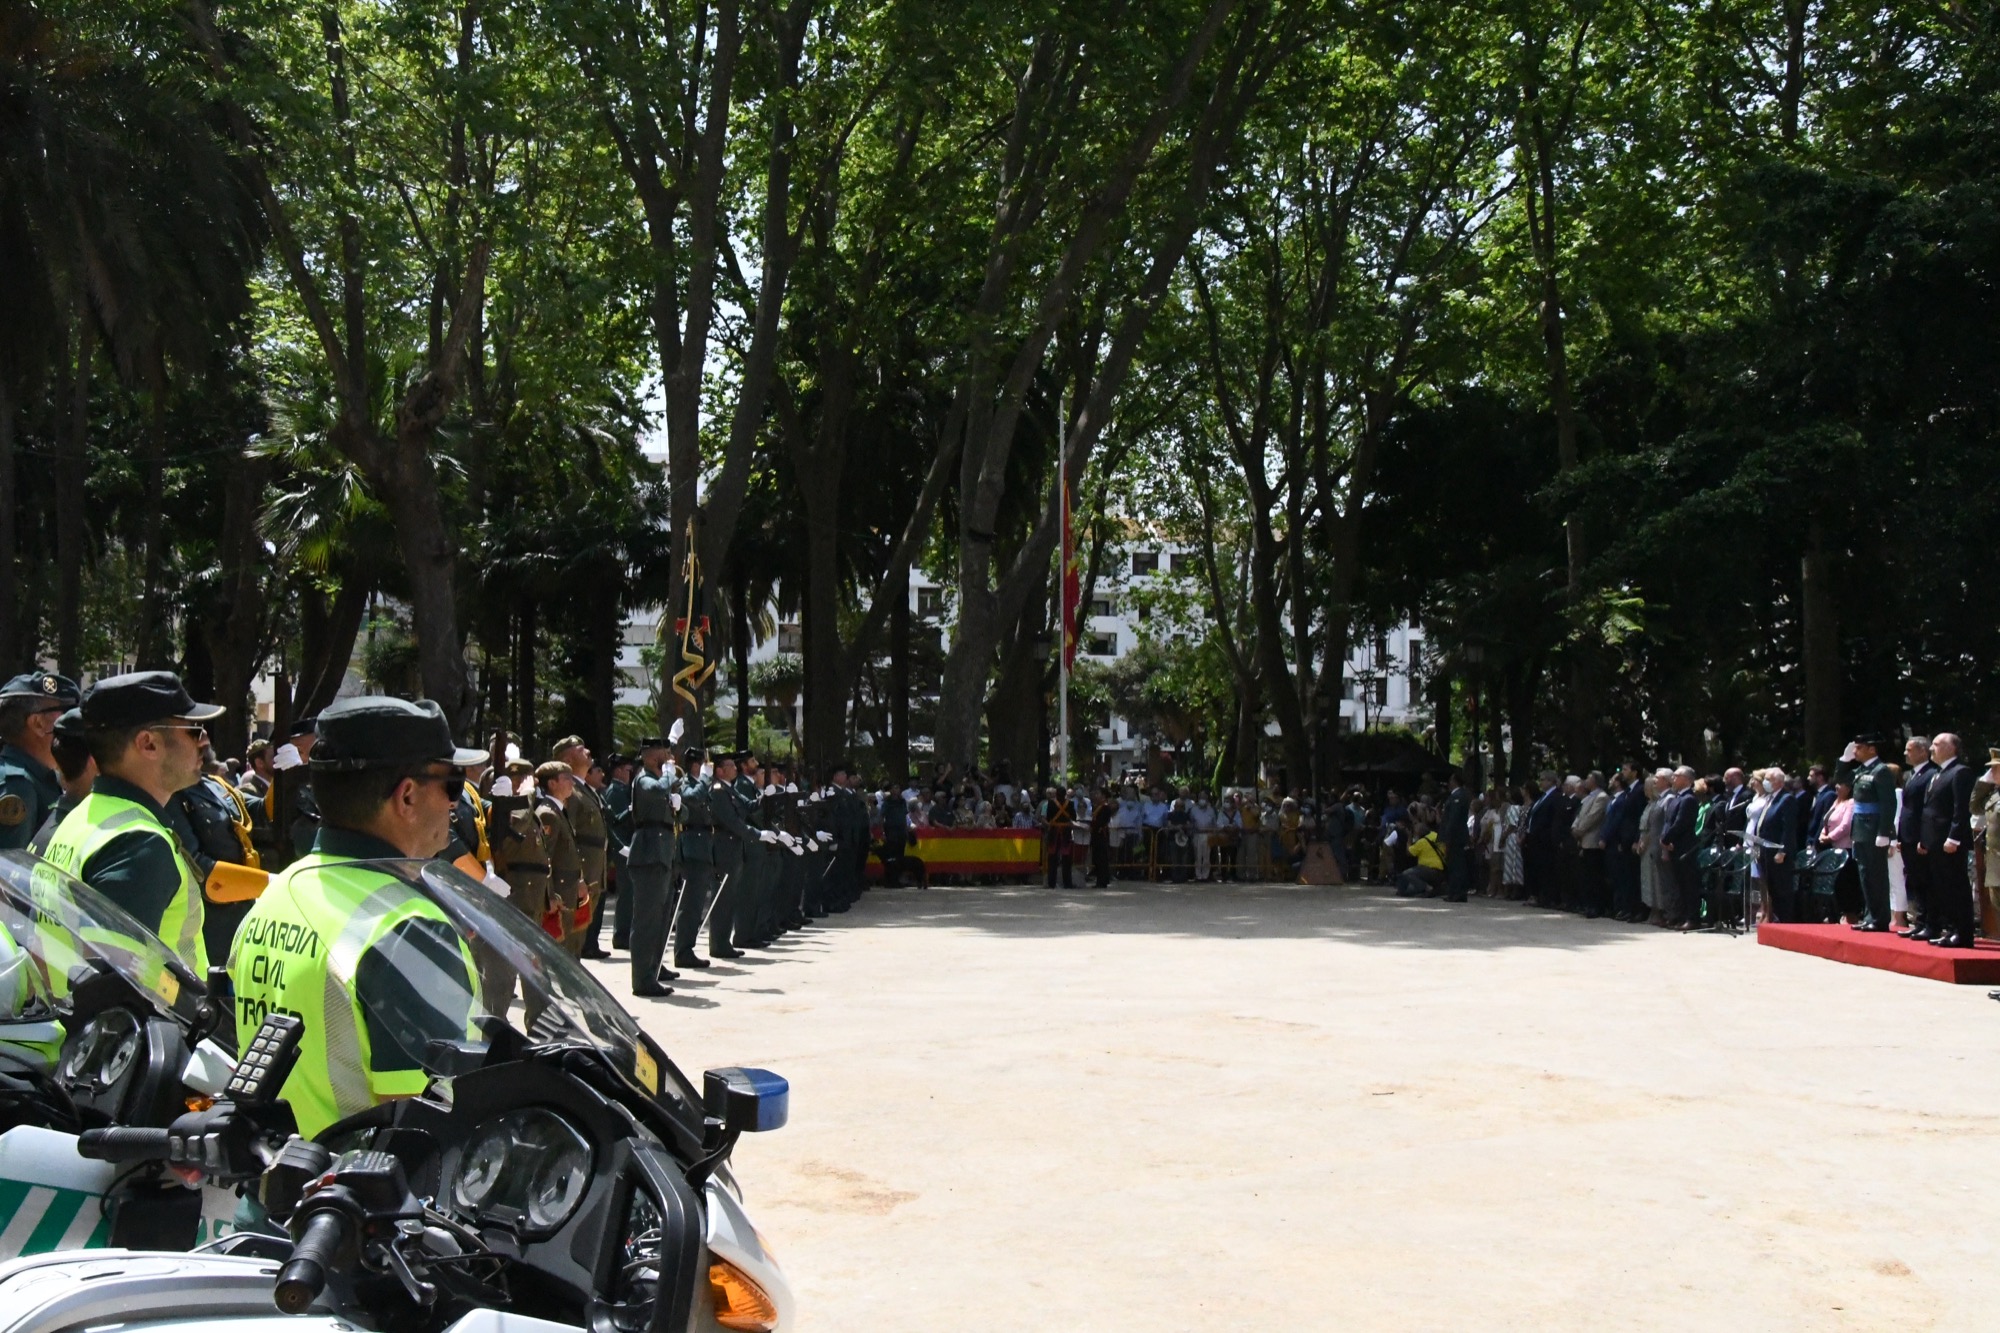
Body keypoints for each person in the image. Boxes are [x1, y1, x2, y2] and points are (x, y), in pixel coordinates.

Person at [227, 695, 485, 1137]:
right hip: (360, 1176)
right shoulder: (408, 928)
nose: (453, 806)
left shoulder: (280, 891)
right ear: (407, 796)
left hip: (278, 1168)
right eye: (453, 785)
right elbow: (422, 1126)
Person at [42, 672, 223, 971]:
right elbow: (114, 985)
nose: (204, 741)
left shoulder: (82, 817)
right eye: (194, 730)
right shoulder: (138, 844)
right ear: (148, 743)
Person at [0, 672, 81, 851]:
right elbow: (10, 864)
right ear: (38, 723)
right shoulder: (18, 786)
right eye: (66, 712)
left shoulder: (40, 775)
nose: (71, 719)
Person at [628, 738, 683, 995]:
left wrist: (677, 807)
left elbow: (679, 814)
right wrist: (669, 775)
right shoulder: (644, 779)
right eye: (664, 753)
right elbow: (656, 790)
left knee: (660, 919)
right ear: (650, 756)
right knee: (646, 920)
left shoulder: (660, 780)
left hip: (662, 854)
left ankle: (654, 968)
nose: (669, 757)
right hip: (649, 854)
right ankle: (642, 979)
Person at [1918, 733, 1976, 948]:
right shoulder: (1938, 773)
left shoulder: (1960, 772)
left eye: (1936, 744)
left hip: (1949, 841)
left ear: (1951, 748)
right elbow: (1930, 809)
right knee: (1941, 887)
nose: (1931, 748)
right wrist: (1924, 838)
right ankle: (1951, 928)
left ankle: (1963, 933)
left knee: (1956, 886)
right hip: (1934, 840)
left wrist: (1954, 837)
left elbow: (1961, 809)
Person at [1845, 735, 1897, 932]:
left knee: (1877, 876)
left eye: (1859, 748)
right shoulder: (1862, 770)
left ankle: (1880, 918)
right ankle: (1870, 915)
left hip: (1874, 829)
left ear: (1872, 749)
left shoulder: (1881, 770)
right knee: (1865, 875)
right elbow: (1842, 780)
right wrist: (1843, 761)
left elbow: (1888, 803)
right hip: (1860, 829)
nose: (1855, 751)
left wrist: (1884, 832)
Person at [1895, 737, 1937, 937]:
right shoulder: (1912, 774)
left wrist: (1924, 836)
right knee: (1915, 881)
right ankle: (1920, 922)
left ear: (1923, 751)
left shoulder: (1930, 774)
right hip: (1908, 836)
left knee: (1926, 881)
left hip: (1919, 836)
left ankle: (1931, 923)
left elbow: (1926, 809)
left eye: (1909, 749)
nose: (1905, 753)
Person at [1603, 773, 1643, 921]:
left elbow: (1630, 819)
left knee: (1628, 878)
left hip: (1627, 840)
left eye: (1626, 769)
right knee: (1620, 878)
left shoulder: (1636, 792)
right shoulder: (1626, 794)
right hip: (1621, 840)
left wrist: (1632, 839)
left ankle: (1631, 909)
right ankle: (1622, 908)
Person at [1570, 771, 1609, 918]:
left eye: (1588, 778)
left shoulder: (1601, 797)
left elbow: (1593, 817)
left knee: (1594, 876)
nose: (1586, 781)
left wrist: (1579, 830)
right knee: (1586, 876)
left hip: (1592, 840)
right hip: (1583, 840)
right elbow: (1580, 815)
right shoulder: (1589, 797)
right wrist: (1574, 827)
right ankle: (1588, 904)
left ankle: (1596, 906)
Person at [1439, 771, 1471, 902]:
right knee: (1454, 864)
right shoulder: (1456, 795)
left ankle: (1457, 892)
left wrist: (1448, 835)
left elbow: (1454, 818)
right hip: (1456, 835)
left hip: (1456, 836)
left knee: (1457, 865)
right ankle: (1454, 891)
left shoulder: (1459, 796)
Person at [1039, 786, 1075, 888]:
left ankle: (1051, 883)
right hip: (1066, 832)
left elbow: (1049, 817)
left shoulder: (1051, 803)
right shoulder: (1070, 803)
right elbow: (1073, 816)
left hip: (1054, 832)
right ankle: (1067, 883)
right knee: (1066, 858)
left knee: (1052, 858)